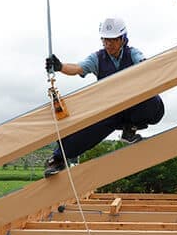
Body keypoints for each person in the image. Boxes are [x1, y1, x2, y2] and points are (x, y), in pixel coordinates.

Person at [43, 17, 165, 177]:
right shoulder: (97, 58)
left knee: (154, 104)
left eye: (113, 40)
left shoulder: (133, 54)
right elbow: (79, 68)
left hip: (132, 108)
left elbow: (144, 65)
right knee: (83, 135)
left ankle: (130, 129)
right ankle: (58, 159)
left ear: (123, 39)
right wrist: (60, 67)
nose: (108, 44)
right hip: (110, 110)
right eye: (105, 40)